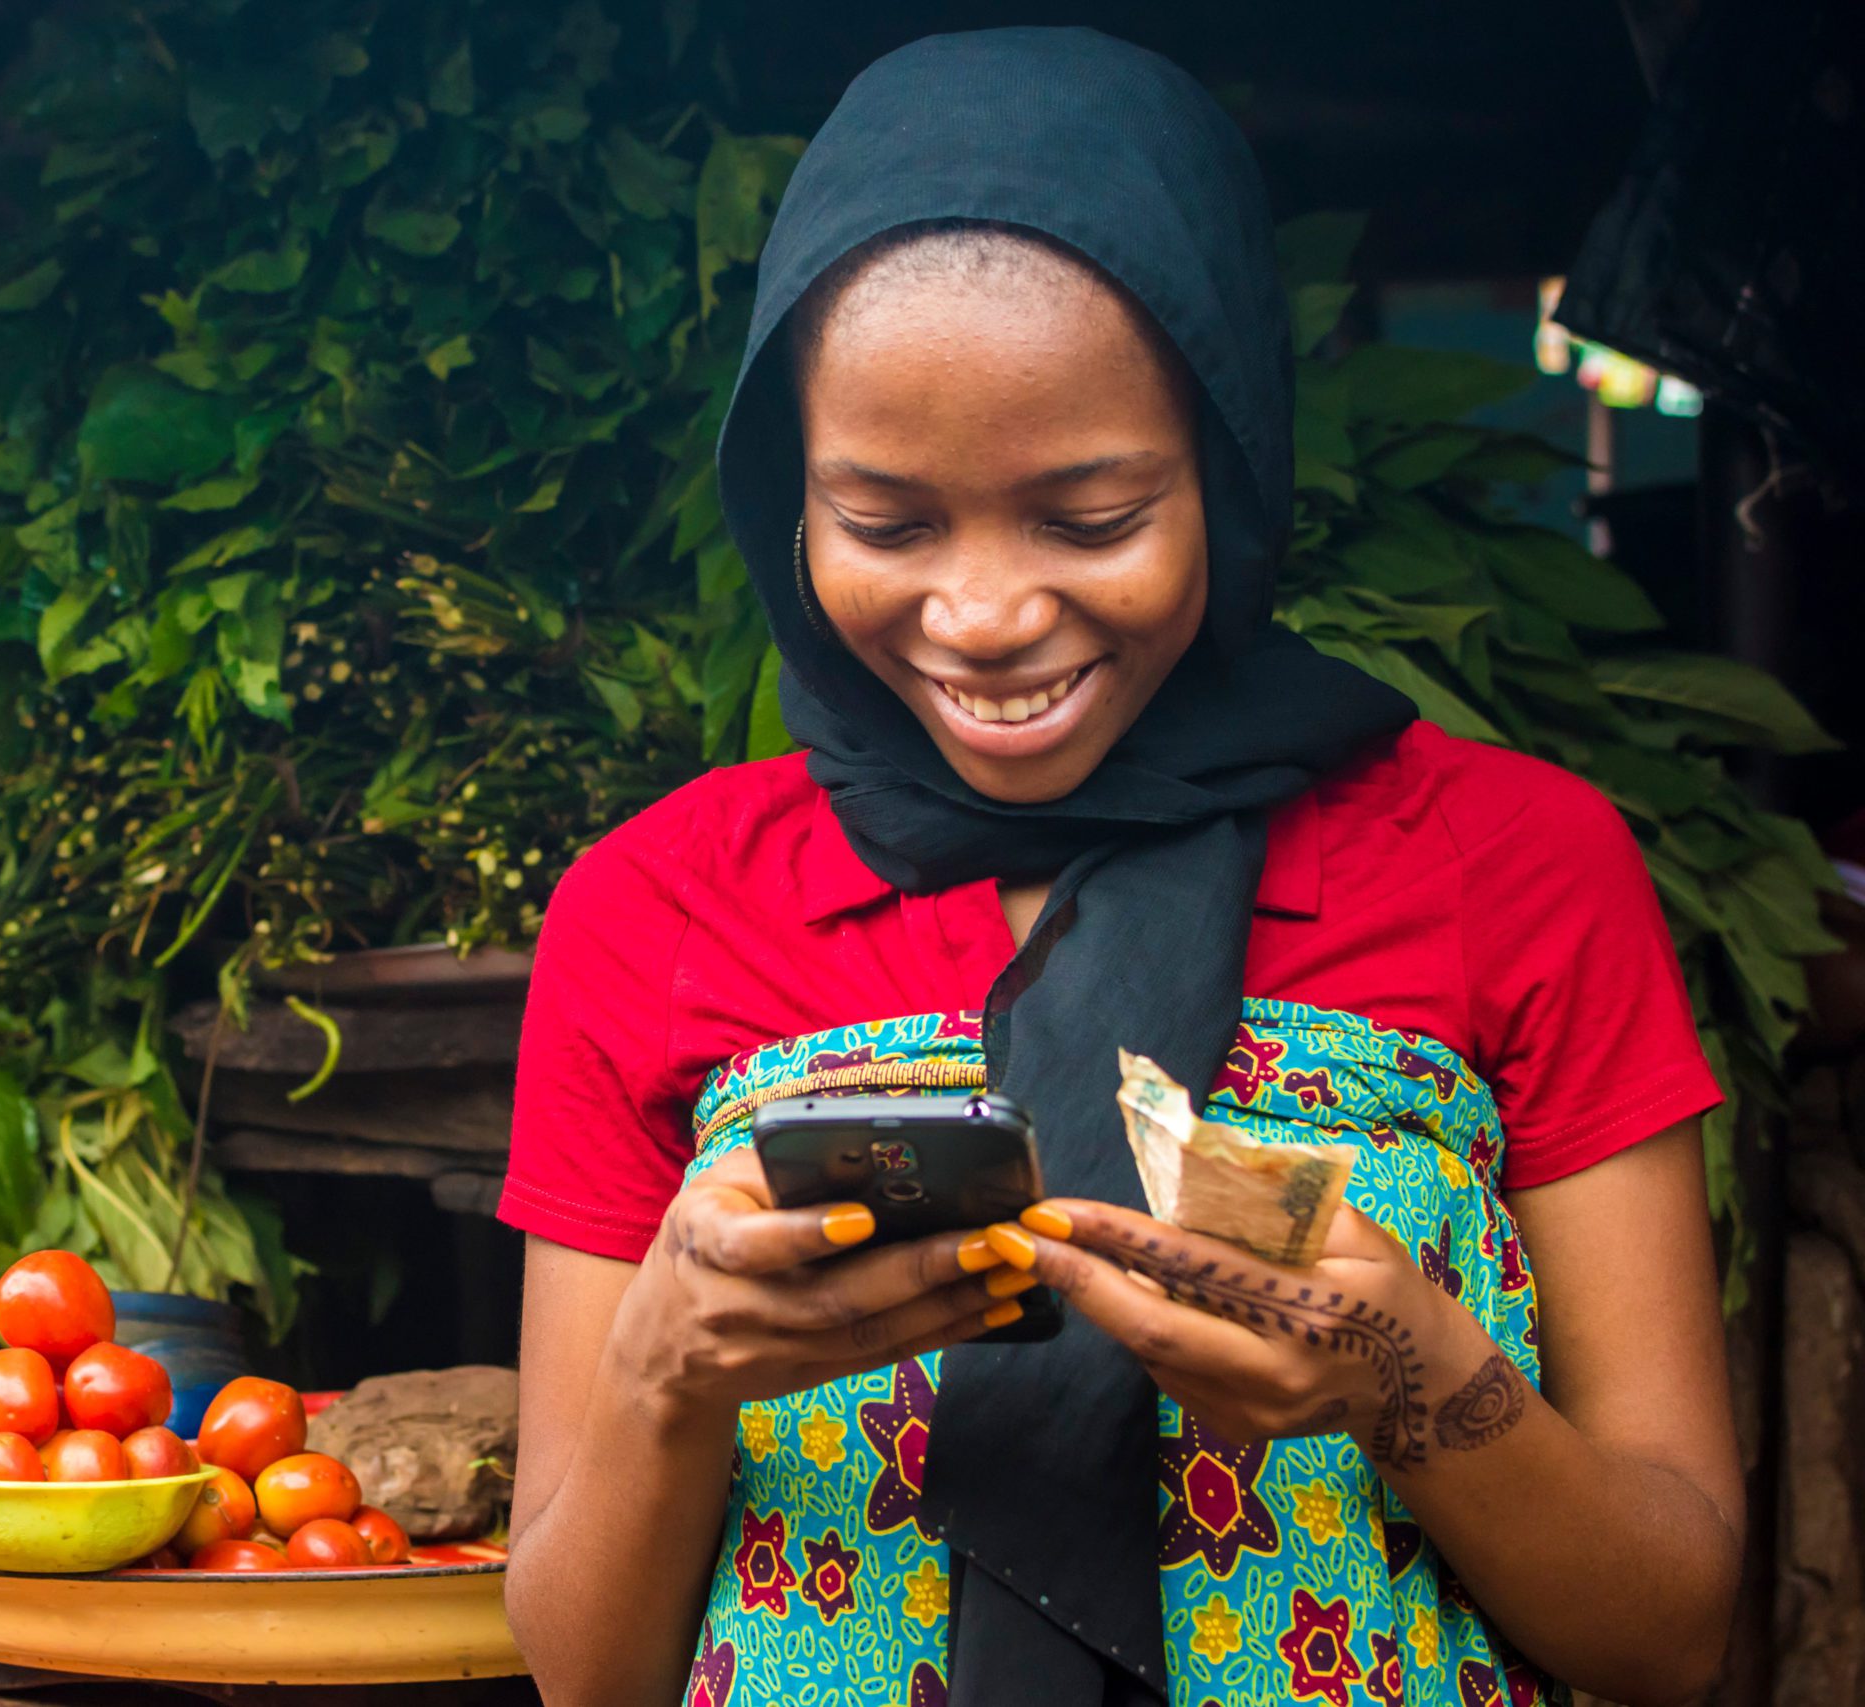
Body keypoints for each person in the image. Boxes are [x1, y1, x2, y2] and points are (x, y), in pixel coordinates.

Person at [498, 30, 1742, 1707]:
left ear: (1228, 476)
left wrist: (1405, 1370)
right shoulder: (660, 902)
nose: (988, 615)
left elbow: (1671, 1633)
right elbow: (585, 1677)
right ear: (785, 504)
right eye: (885, 523)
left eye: (1090, 519)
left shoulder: (1519, 865)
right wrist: (667, 1364)